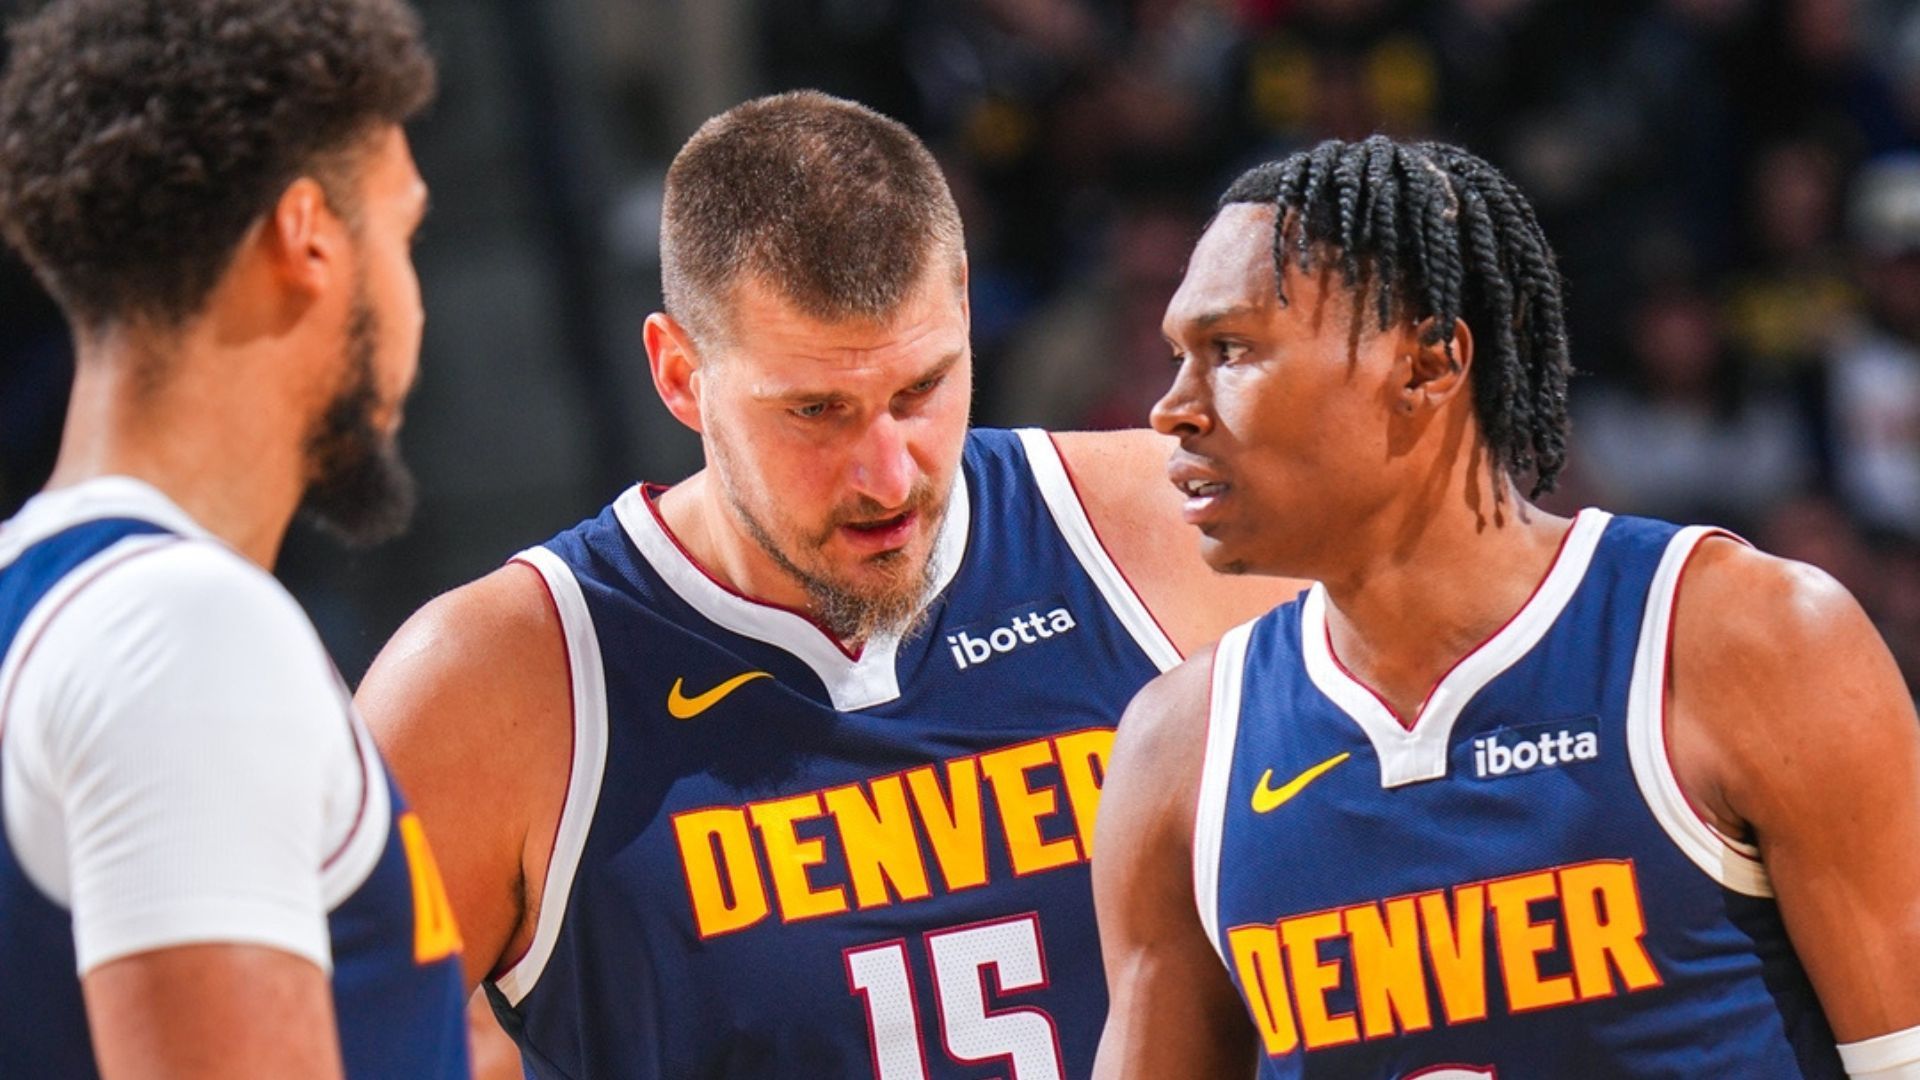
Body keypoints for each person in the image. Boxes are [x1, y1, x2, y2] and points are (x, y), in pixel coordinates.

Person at [354, 89, 1302, 1079]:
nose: (887, 475)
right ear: (679, 374)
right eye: (816, 411)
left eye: (920, 389)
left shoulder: (1179, 534)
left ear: (963, 308)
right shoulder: (496, 686)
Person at [1091, 135, 1920, 1079]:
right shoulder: (1180, 748)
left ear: (1427, 365)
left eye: (1230, 350)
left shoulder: (1740, 637)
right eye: (1180, 356)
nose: (1172, 408)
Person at [0, 2, 468, 1077]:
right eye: (402, 235)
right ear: (308, 236)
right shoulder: (185, 634)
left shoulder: (47, 604)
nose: (417, 309)